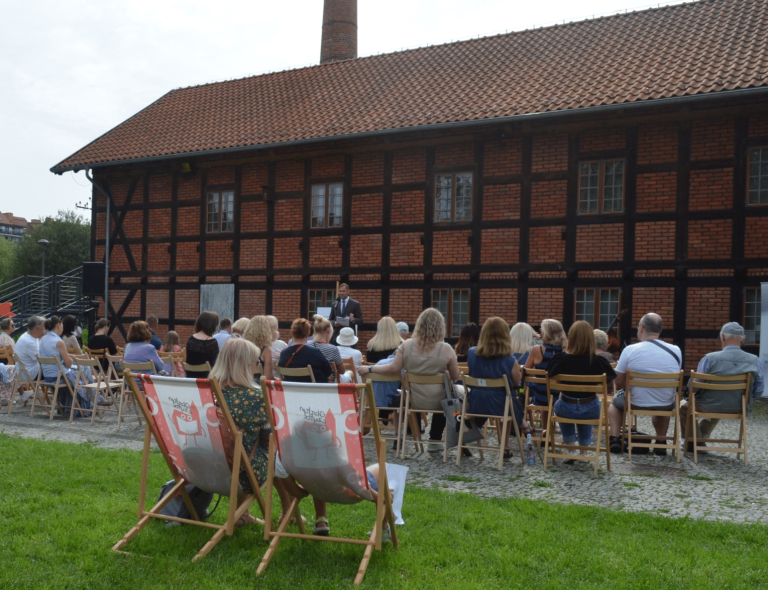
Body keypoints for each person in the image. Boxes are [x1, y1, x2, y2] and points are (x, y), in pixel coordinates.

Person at [209, 337, 290, 528]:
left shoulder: (207, 393)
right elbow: (267, 441)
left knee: (244, 447)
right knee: (277, 452)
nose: (257, 366)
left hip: (204, 466)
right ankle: (289, 512)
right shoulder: (255, 397)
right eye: (256, 362)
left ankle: (243, 514)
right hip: (240, 472)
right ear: (245, 365)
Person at [359, 307, 460, 452]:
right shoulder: (447, 348)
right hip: (439, 400)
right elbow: (456, 377)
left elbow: (393, 368)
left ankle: (405, 435)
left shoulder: (406, 345)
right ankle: (435, 439)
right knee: (450, 397)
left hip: (413, 398)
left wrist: (370, 369)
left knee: (401, 396)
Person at [680, 322, 764, 453]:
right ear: (743, 339)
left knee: (683, 407)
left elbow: (693, 388)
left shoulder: (710, 359)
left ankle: (694, 442)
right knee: (721, 401)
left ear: (723, 337)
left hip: (708, 405)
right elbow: (758, 391)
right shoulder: (755, 360)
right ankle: (699, 441)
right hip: (738, 407)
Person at [607, 313, 682, 455]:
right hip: (665, 403)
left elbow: (619, 382)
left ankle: (615, 439)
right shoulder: (676, 350)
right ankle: (661, 442)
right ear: (659, 330)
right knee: (664, 399)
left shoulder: (630, 350)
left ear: (641, 328)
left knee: (615, 404)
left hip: (634, 402)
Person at [547, 321, 617, 461]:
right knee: (592, 402)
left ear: (570, 338)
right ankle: (584, 450)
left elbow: (549, 374)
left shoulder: (560, 359)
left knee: (562, 402)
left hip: (566, 407)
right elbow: (611, 381)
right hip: (590, 409)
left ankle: (571, 446)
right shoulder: (598, 361)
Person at [466, 317, 523, 457]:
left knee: (492, 398)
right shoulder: (510, 360)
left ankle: (467, 437)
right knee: (510, 402)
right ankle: (505, 445)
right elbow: (517, 383)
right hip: (500, 404)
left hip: (475, 401)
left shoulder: (472, 353)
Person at [38, 316, 96, 415]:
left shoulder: (42, 339)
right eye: (62, 325)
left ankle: (69, 406)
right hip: (59, 376)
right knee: (85, 369)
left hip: (47, 376)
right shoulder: (59, 342)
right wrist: (70, 359)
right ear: (58, 325)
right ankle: (89, 403)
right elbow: (68, 365)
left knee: (79, 373)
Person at [278, 319, 333, 383]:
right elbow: (328, 372)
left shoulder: (283, 353)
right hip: (315, 391)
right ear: (308, 333)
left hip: (292, 391)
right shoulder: (314, 352)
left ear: (292, 332)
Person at [308, 315, 346, 382]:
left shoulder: (307, 345)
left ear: (315, 330)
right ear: (328, 330)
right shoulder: (333, 349)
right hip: (328, 384)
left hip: (310, 382)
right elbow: (342, 371)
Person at [185, 311, 220, 378]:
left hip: (190, 379)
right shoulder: (211, 342)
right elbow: (216, 365)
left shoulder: (191, 339)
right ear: (212, 325)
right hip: (206, 381)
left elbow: (188, 361)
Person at [14, 316, 45, 383]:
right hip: (30, 373)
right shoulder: (29, 342)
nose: (46, 329)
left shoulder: (27, 336)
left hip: (24, 371)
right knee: (57, 372)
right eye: (44, 327)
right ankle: (59, 393)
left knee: (57, 370)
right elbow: (41, 358)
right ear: (37, 328)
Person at [243, 316, 275, 380]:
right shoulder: (266, 351)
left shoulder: (242, 347)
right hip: (258, 386)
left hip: (243, 383)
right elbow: (268, 376)